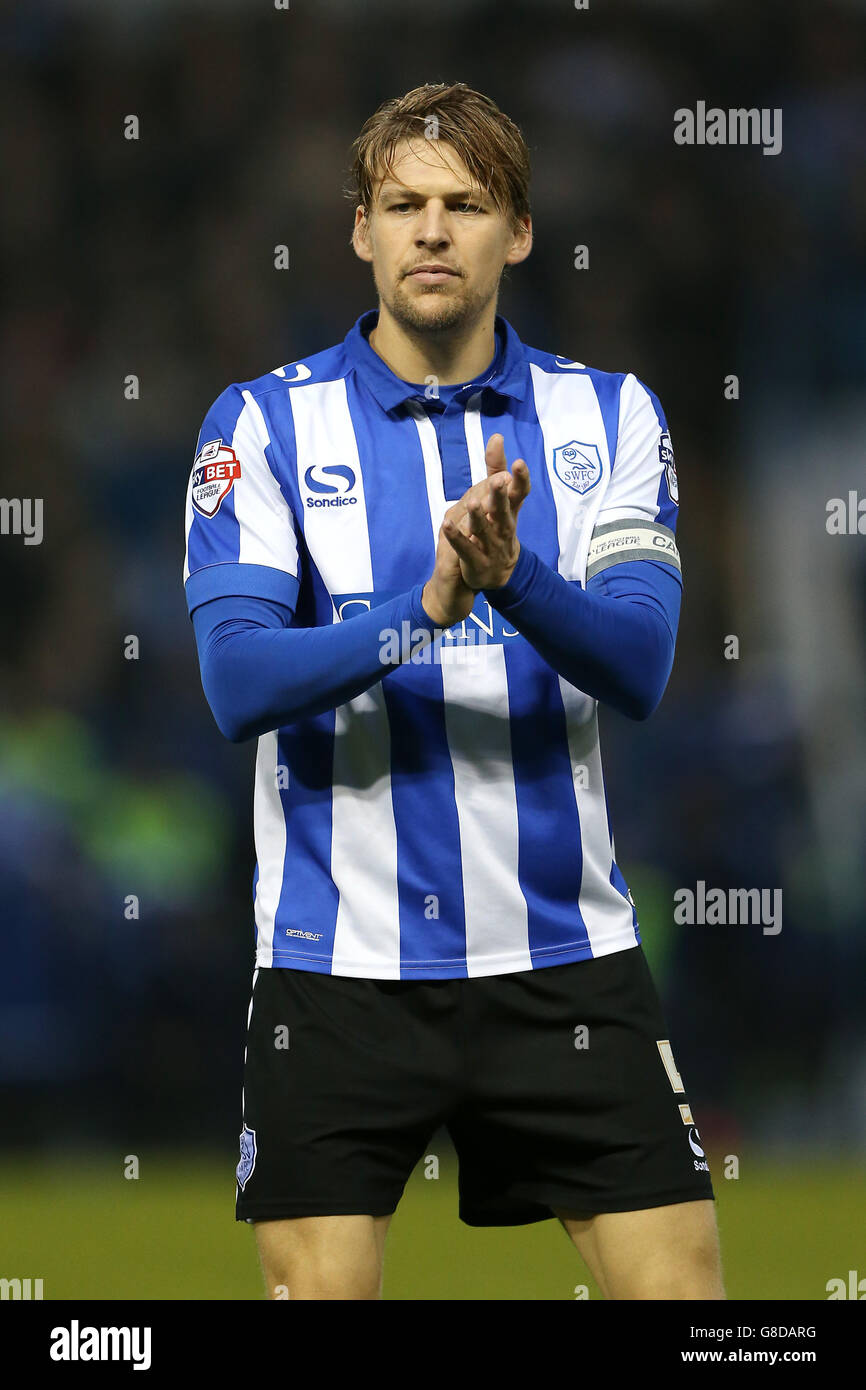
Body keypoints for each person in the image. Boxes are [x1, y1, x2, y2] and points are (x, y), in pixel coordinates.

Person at [183, 81, 724, 1301]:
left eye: (466, 204)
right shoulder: (263, 424)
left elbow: (638, 665)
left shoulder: (610, 412)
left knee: (692, 1312)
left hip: (564, 959)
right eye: (403, 204)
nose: (432, 231)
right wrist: (418, 611)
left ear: (518, 231)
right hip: (338, 970)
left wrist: (511, 577)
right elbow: (233, 679)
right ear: (359, 231)